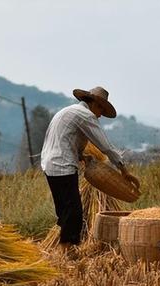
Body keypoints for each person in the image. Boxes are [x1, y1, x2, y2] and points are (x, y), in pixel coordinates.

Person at [40, 86, 140, 254]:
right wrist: (124, 170)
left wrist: (81, 156)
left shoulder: (68, 111)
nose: (100, 114)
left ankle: (65, 250)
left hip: (49, 164)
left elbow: (64, 140)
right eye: (100, 108)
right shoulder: (85, 115)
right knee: (74, 211)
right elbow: (105, 146)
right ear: (92, 102)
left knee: (65, 210)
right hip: (62, 166)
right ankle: (66, 251)